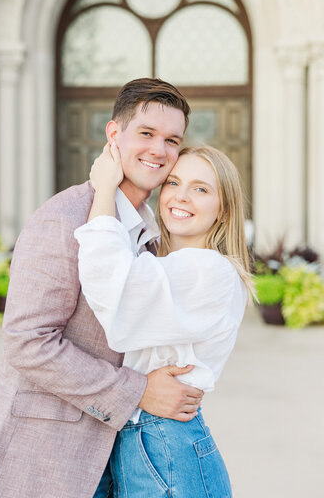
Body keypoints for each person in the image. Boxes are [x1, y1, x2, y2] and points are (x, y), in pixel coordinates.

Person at [0, 78, 205, 498]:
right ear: (114, 135)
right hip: (47, 454)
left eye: (173, 140)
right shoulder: (63, 219)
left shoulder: (152, 231)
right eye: (147, 133)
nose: (160, 150)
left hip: (118, 454)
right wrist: (137, 391)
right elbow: (27, 342)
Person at [74, 143, 254, 497]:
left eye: (200, 189)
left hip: (165, 443)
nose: (181, 196)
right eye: (173, 183)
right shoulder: (170, 264)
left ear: (223, 210)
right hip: (146, 440)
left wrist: (105, 189)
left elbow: (112, 287)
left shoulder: (209, 270)